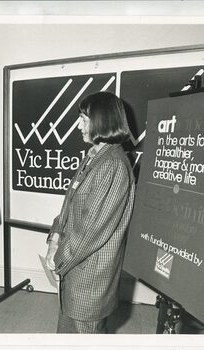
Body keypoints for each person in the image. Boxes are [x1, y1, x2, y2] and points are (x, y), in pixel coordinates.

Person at [45, 91, 136, 334]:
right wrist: (54, 239)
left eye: (84, 119)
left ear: (103, 122)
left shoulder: (113, 165)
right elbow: (68, 205)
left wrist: (58, 261)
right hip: (75, 268)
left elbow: (89, 233)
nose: (78, 126)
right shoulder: (95, 156)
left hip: (89, 278)